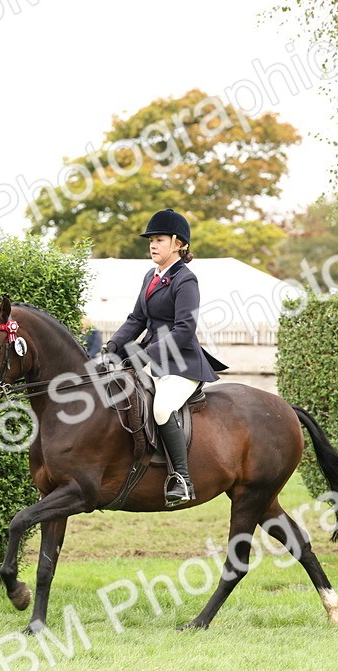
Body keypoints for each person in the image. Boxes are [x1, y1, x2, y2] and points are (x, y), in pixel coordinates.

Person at [104, 209, 228, 506]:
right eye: (151, 240)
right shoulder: (151, 276)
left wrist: (144, 356)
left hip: (181, 364)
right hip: (151, 357)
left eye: (159, 239)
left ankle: (181, 479)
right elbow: (136, 318)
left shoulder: (186, 280)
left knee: (161, 408)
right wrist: (113, 345)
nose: (153, 245)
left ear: (178, 244)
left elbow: (185, 330)